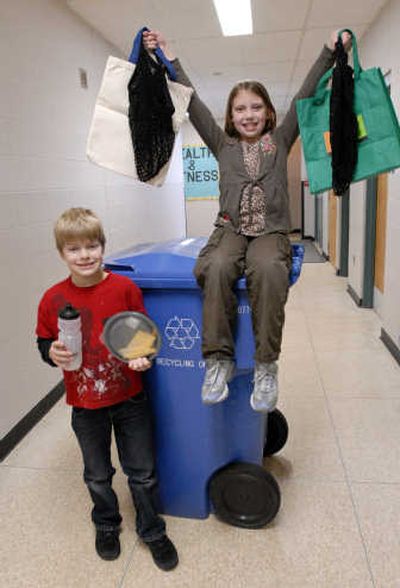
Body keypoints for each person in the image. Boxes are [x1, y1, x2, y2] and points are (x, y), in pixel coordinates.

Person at [143, 29, 351, 412]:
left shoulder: (281, 139)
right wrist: (171, 61)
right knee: (218, 266)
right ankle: (218, 361)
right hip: (230, 228)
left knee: (270, 268)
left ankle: (266, 365)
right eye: (240, 109)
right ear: (231, 116)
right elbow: (193, 105)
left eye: (256, 107)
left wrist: (328, 52)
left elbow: (305, 94)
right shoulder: (223, 145)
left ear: (269, 112)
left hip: (270, 232)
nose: (249, 115)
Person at [36, 208, 178, 571]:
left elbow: (142, 337)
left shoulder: (124, 289)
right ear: (61, 253)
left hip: (130, 397)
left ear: (103, 246)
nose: (84, 255)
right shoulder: (52, 299)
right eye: (74, 249)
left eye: (92, 245)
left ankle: (151, 529)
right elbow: (44, 343)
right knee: (97, 474)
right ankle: (106, 524)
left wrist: (144, 357)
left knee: (142, 471)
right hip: (85, 404)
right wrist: (50, 352)